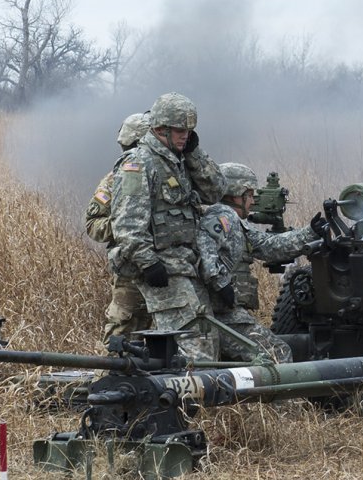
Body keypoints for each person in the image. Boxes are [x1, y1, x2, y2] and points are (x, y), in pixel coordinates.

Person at [107, 92, 228, 362]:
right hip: (161, 268)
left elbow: (216, 190)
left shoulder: (180, 162)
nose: (185, 136)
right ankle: (183, 400)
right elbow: (127, 224)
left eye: (189, 131)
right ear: (161, 129)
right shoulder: (138, 164)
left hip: (184, 266)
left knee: (206, 337)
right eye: (180, 130)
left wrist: (195, 154)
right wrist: (149, 263)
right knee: (196, 346)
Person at [196, 162, 317, 363]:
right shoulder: (221, 217)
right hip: (219, 314)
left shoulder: (233, 222)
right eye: (250, 195)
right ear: (236, 195)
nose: (253, 201)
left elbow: (269, 246)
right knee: (277, 354)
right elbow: (205, 253)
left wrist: (310, 231)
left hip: (222, 313)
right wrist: (221, 284)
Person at [88, 112, 154, 340]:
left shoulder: (170, 177)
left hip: (171, 268)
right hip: (131, 272)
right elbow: (93, 224)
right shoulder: (114, 179)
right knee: (123, 336)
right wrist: (127, 226)